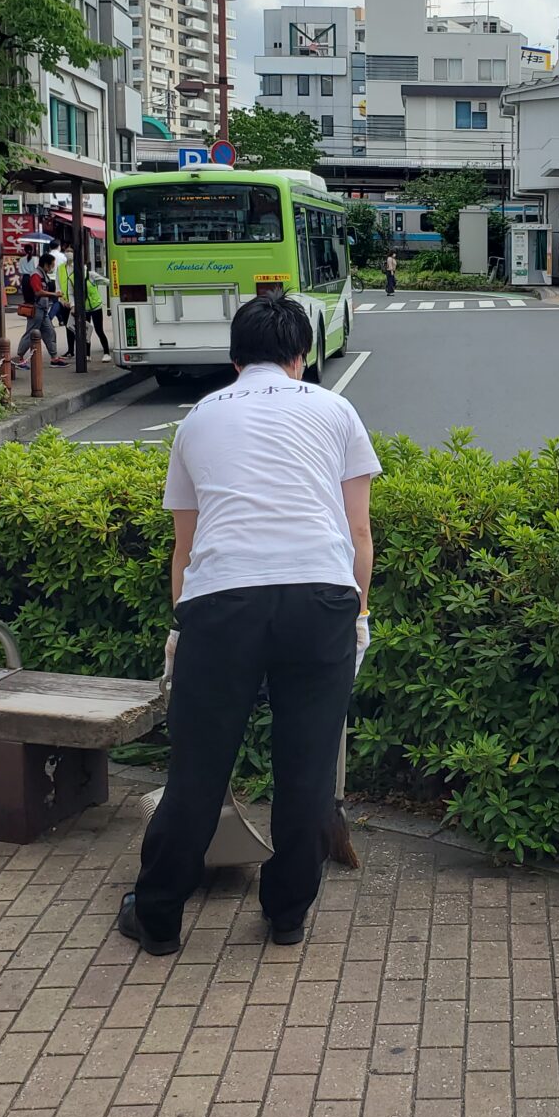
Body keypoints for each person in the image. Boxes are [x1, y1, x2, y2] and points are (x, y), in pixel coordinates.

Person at [121, 295, 379, 957]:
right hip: (319, 596)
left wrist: (183, 626)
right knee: (306, 767)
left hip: (221, 600)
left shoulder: (199, 419)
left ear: (233, 358)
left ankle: (157, 917)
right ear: (301, 356)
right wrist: (360, 612)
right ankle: (287, 914)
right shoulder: (335, 410)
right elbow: (357, 531)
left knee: (199, 770)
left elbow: (186, 545)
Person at [14, 253, 66, 368]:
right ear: (46, 264)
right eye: (51, 265)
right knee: (31, 333)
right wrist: (54, 294)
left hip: (43, 309)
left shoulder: (43, 274)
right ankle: (20, 358)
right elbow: (38, 291)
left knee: (50, 332)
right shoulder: (36, 275)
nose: (52, 267)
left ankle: (54, 358)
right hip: (37, 309)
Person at [57, 253, 110, 358]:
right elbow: (71, 293)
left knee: (99, 330)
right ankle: (87, 355)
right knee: (85, 332)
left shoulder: (91, 275)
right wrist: (73, 306)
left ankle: (106, 353)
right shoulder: (71, 278)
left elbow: (106, 282)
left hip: (96, 307)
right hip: (84, 309)